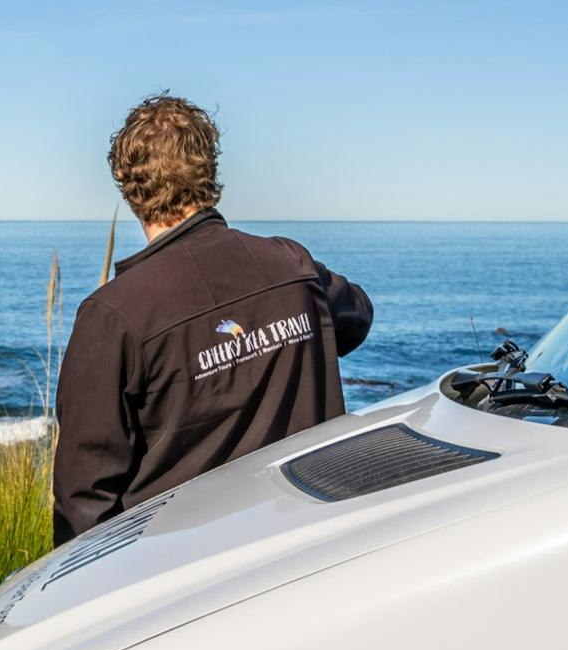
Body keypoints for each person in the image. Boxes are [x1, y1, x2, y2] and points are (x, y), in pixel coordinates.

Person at [54, 93, 375, 545]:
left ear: (125, 181)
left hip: (186, 577)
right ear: (208, 169)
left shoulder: (113, 317)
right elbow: (357, 317)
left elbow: (84, 502)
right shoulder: (290, 264)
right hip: (310, 547)